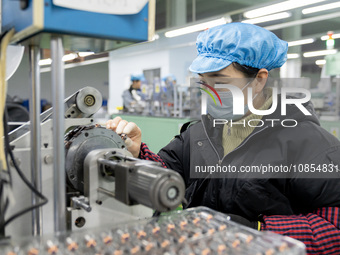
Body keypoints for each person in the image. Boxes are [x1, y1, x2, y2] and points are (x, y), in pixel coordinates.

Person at [107, 23, 340, 254]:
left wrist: (257, 230)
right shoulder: (200, 133)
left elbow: (334, 225)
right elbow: (167, 172)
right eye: (203, 81)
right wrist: (137, 153)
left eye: (220, 80)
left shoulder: (307, 143)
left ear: (259, 79)